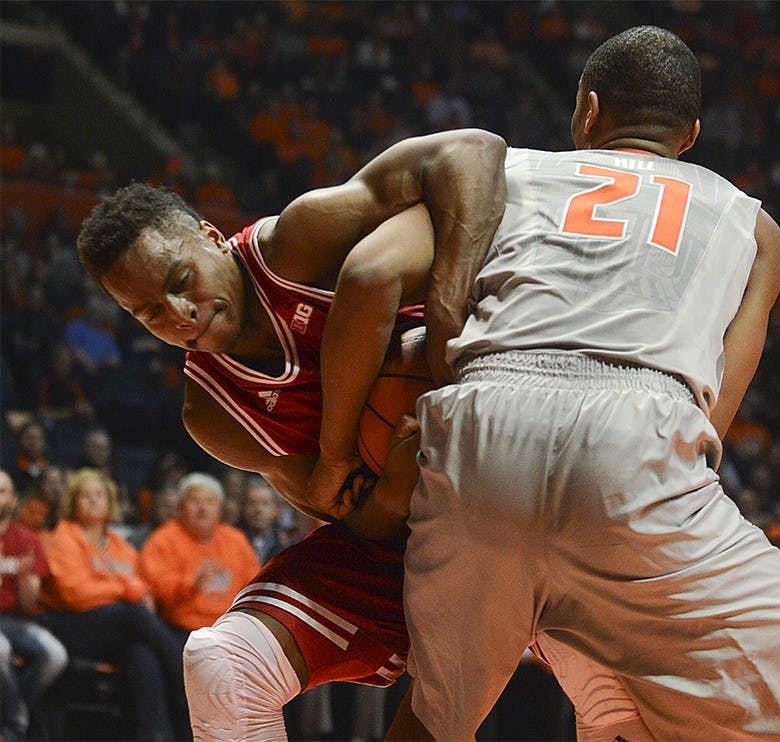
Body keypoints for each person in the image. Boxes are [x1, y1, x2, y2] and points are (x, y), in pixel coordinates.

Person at [318, 24, 780, 741]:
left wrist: (336, 452)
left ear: (587, 111)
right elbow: (716, 414)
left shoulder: (503, 174)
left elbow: (369, 273)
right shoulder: (752, 226)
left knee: (433, 719)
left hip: (483, 422)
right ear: (692, 136)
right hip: (634, 436)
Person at [75, 130, 513, 740]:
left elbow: (475, 150)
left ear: (209, 236)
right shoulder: (213, 412)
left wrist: (445, 300)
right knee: (219, 664)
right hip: (407, 531)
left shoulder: (299, 241)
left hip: (509, 445)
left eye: (181, 279)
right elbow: (347, 514)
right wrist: (391, 487)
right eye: (149, 313)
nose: (179, 313)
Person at [36, 467, 188, 740]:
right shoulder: (63, 536)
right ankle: (185, 684)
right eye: (85, 496)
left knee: (141, 654)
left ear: (110, 503)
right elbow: (75, 594)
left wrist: (137, 595)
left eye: (99, 495)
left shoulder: (121, 546)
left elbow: (144, 593)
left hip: (111, 628)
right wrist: (122, 588)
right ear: (73, 502)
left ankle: (157, 736)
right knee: (132, 616)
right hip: (64, 623)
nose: (93, 500)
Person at [138, 472, 260, 641]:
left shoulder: (236, 540)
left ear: (220, 508)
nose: (203, 508)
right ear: (180, 507)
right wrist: (192, 582)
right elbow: (153, 589)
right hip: (181, 631)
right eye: (195, 501)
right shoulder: (163, 539)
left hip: (232, 631)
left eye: (210, 501)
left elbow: (255, 589)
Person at [0, 469, 68, 740]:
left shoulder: (28, 539)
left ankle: (10, 717)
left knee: (55, 654)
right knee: (0, 650)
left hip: (13, 619)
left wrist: (26, 579)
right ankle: (15, 725)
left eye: (2, 491)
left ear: (14, 499)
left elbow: (29, 607)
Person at [237, 474, 289, 563]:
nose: (258, 509)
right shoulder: (234, 540)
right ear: (243, 507)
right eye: (252, 503)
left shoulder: (286, 543)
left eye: (265, 503)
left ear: (277, 508)